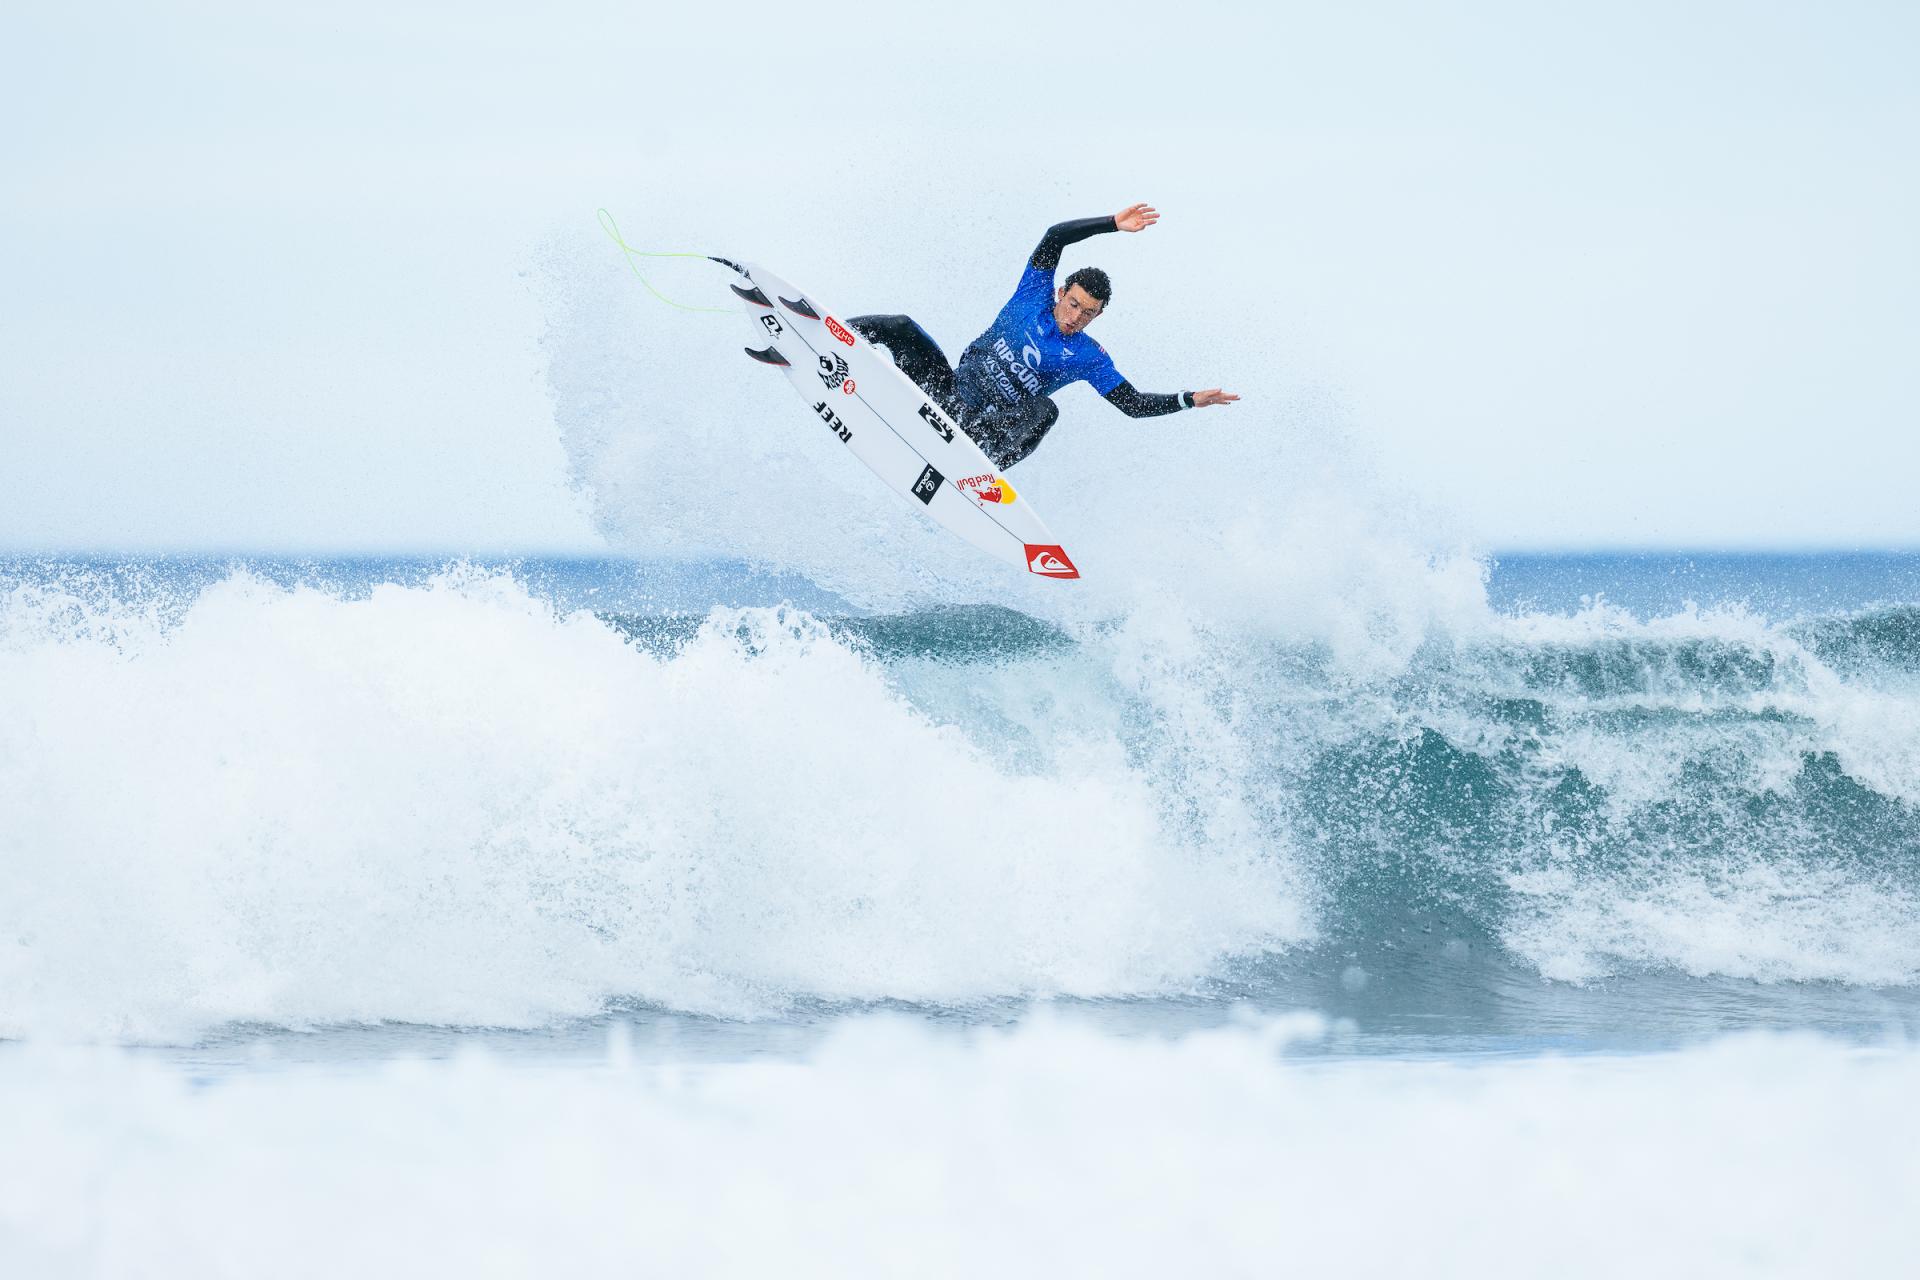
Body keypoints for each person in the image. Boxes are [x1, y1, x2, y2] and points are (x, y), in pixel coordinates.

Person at [849, 203, 1238, 469]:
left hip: (980, 434)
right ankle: (819, 335)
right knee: (900, 326)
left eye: (1088, 313)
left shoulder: (1089, 356)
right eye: (1073, 304)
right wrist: (1111, 224)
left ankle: (978, 477)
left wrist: (1188, 400)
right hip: (944, 393)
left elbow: (1132, 404)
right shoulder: (1033, 291)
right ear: (1060, 293)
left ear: (1098, 315)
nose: (1076, 317)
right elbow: (1055, 237)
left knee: (1046, 412)